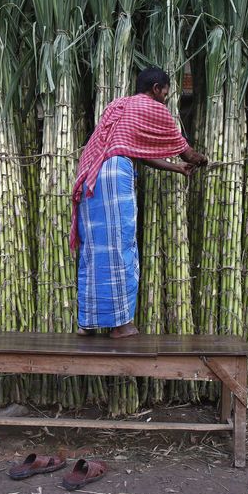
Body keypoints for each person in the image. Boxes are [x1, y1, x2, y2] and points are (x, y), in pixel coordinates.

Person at [70, 67, 207, 339]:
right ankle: (121, 325)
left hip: (89, 177)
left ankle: (88, 322)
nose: (165, 99)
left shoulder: (118, 106)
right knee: (120, 245)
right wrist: (197, 159)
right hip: (113, 178)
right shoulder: (152, 108)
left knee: (95, 249)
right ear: (156, 88)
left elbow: (135, 152)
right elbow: (185, 149)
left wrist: (177, 169)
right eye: (166, 94)